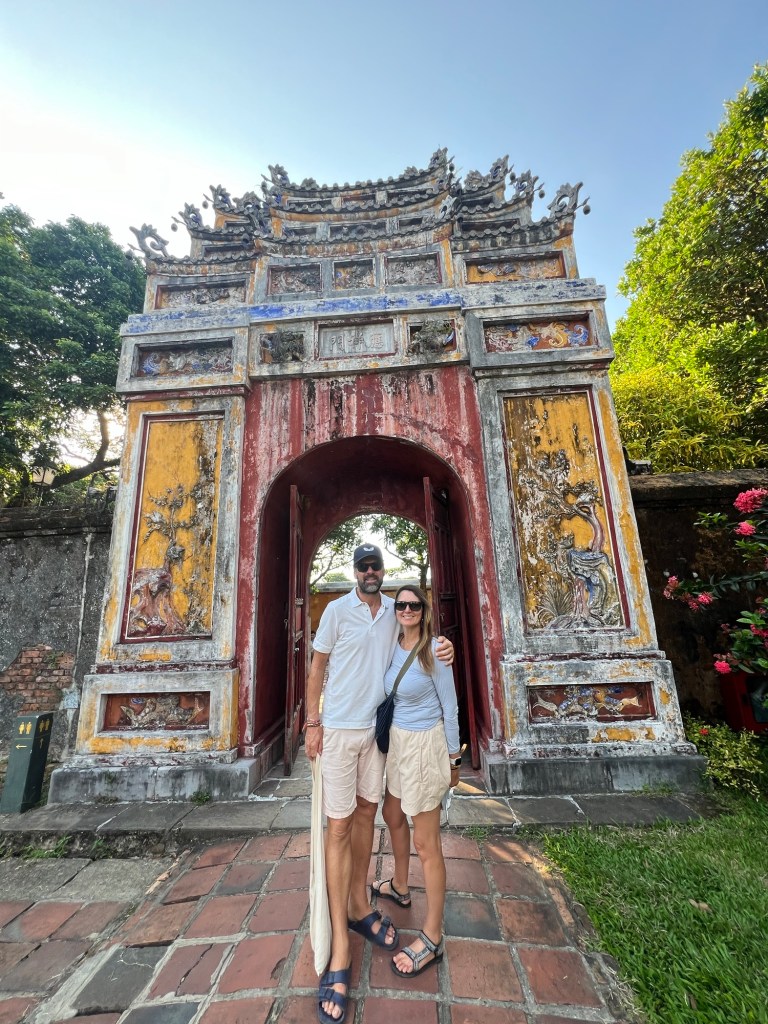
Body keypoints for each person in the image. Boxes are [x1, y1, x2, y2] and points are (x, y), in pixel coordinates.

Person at [304, 544, 453, 1024]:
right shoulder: (335, 611)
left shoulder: (393, 612)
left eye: (376, 566)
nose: (370, 572)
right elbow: (318, 666)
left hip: (377, 735)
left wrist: (444, 646)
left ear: (383, 571)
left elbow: (422, 641)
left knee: (369, 815)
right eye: (363, 566)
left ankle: (360, 904)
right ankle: (339, 948)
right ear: (355, 571)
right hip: (339, 731)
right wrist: (312, 722)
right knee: (339, 827)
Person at [371, 583, 460, 979]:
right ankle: (401, 886)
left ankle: (433, 936)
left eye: (414, 605)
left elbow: (450, 708)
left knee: (427, 843)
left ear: (424, 610)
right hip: (398, 747)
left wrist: (454, 759)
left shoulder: (435, 651)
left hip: (425, 747)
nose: (406, 610)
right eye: (401, 605)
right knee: (392, 814)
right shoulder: (392, 644)